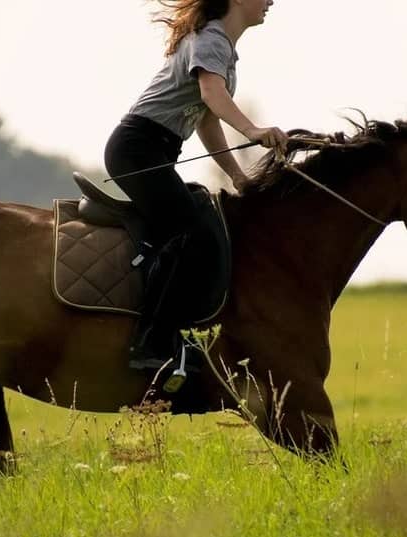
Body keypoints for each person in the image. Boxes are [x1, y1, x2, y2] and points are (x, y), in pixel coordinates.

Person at [105, 0, 289, 371]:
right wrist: (252, 130)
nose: (272, 1)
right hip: (137, 150)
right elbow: (211, 96)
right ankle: (152, 345)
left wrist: (236, 173)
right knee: (191, 233)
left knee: (196, 223)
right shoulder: (211, 40)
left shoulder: (222, 47)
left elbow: (206, 120)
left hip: (152, 151)